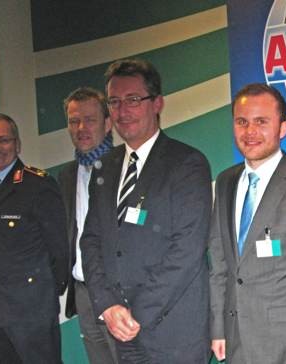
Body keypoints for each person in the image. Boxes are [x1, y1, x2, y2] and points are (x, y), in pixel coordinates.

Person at [80, 58, 212, 363]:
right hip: (120, 327)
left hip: (173, 333)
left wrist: (135, 314)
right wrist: (107, 306)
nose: (123, 111)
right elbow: (91, 240)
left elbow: (187, 250)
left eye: (133, 100)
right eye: (114, 101)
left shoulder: (187, 164)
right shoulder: (107, 165)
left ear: (157, 104)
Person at [209, 83, 286, 363]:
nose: (250, 132)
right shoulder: (225, 181)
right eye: (242, 122)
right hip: (235, 338)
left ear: (282, 128)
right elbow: (219, 261)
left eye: (261, 122)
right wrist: (218, 327)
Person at [0, 113, 68, 363]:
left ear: (17, 144)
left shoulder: (37, 185)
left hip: (31, 310)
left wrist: (43, 295)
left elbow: (59, 249)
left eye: (3, 140)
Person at [58, 87, 118, 364]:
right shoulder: (67, 176)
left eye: (90, 120)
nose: (81, 128)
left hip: (118, 291)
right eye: (74, 121)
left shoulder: (126, 169)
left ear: (108, 123)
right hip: (83, 291)